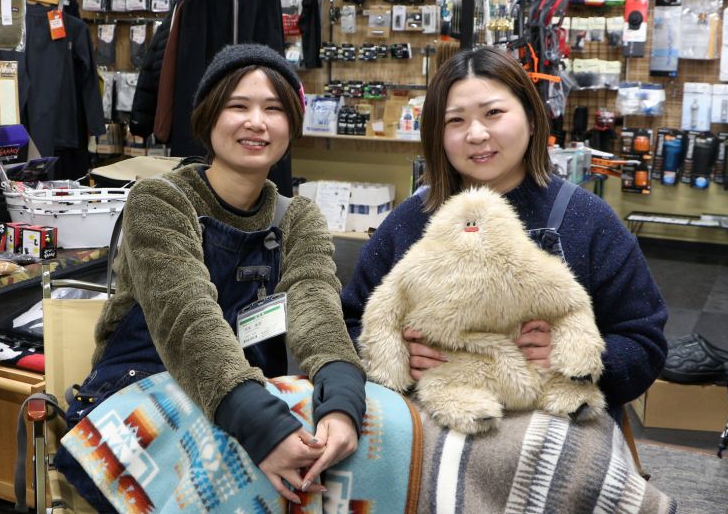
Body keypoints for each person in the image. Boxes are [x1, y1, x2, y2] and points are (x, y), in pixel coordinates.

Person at [57, 44, 365, 509]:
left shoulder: (298, 217)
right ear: (208, 117)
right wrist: (263, 426)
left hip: (247, 397)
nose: (257, 122)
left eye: (274, 109)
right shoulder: (159, 201)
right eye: (238, 106)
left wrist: (342, 398)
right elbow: (189, 321)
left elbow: (316, 306)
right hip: (142, 391)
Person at [342, 46, 668, 423]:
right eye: (455, 120)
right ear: (436, 135)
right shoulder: (410, 222)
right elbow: (348, 322)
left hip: (559, 434)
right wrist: (394, 353)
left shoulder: (587, 218)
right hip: (438, 430)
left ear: (531, 118)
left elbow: (644, 341)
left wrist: (583, 361)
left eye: (493, 113)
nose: (477, 134)